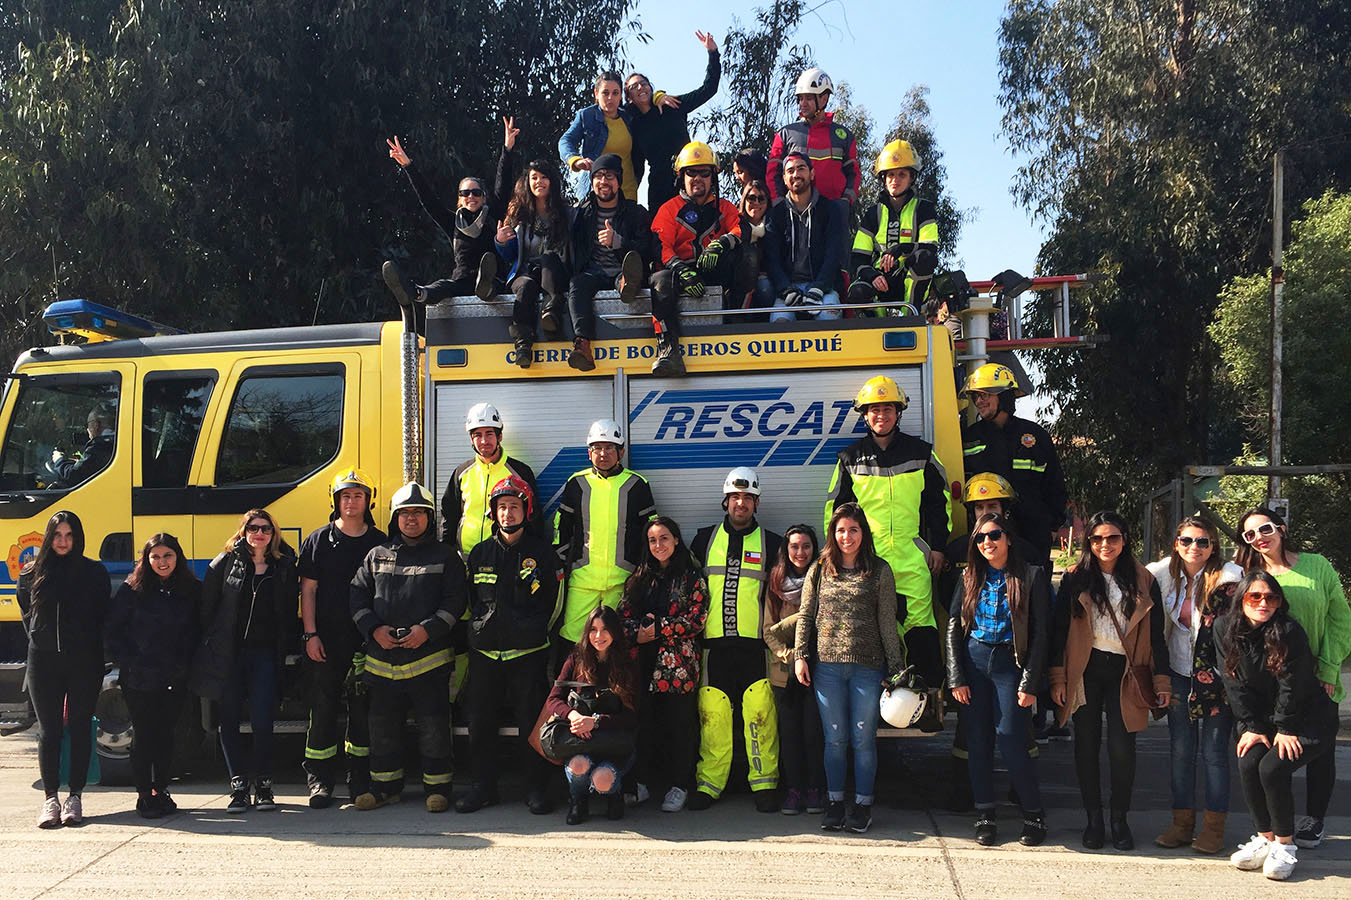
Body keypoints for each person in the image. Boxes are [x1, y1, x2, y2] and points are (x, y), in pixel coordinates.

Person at [824, 376, 952, 697]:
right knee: (874, 634)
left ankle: (926, 704)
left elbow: (941, 503)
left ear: (899, 412)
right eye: (874, 409)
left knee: (920, 631)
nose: (881, 415)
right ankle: (879, 706)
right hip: (867, 564)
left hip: (912, 561)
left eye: (888, 409)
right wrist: (839, 560)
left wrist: (938, 548)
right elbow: (835, 513)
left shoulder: (922, 454)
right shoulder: (850, 458)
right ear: (864, 415)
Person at [1049, 511, 1169, 851]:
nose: (1105, 544)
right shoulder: (1075, 577)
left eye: (1112, 538)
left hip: (1126, 671)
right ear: (1089, 542)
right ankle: (1094, 820)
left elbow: (1156, 635)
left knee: (1122, 749)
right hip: (1085, 670)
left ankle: (1119, 819)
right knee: (1085, 747)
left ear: (1125, 539)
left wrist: (1161, 682)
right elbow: (1059, 632)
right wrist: (1058, 678)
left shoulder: (1144, 579)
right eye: (1098, 538)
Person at [1233, 506, 1350, 849]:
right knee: (1275, 757)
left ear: (1281, 528)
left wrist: (1329, 666)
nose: (1259, 538)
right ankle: (1271, 830)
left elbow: (1340, 619)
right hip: (1273, 685)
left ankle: (1315, 818)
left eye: (1265, 529)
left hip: (1318, 675)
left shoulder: (1317, 566)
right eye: (1250, 535)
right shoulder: (1252, 576)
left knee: (1319, 750)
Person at [1216, 572, 1341, 881]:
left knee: (1272, 769)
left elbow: (1292, 685)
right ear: (1240, 599)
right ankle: (1266, 837)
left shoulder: (1289, 631)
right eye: (1254, 597)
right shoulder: (1223, 628)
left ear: (1279, 602)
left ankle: (1285, 846)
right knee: (1249, 762)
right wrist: (1250, 726)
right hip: (1264, 720)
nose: (1263, 603)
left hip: (1308, 718)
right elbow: (1233, 683)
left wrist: (1285, 728)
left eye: (1271, 598)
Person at [350, 482, 466, 812]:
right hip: (381, 661)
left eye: (418, 513)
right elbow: (357, 596)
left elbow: (456, 600)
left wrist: (426, 631)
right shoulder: (376, 555)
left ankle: (438, 789)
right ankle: (385, 788)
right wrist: (374, 630)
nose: (411, 519)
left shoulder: (446, 557)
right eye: (404, 513)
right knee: (382, 729)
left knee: (433, 728)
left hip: (429, 660)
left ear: (430, 517)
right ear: (395, 518)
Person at [794, 503, 904, 833]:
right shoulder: (819, 569)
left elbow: (887, 623)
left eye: (853, 530)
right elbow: (805, 614)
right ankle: (835, 803)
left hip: (867, 669)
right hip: (826, 668)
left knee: (863, 740)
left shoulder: (880, 571)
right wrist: (800, 653)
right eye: (841, 530)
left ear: (863, 534)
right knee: (835, 740)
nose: (847, 536)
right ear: (833, 533)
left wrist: (896, 668)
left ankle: (862, 805)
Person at [458, 476, 562, 815]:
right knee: (480, 725)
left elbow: (555, 602)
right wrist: (479, 631)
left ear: (526, 511)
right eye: (501, 507)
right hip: (486, 655)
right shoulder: (479, 554)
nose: (507, 513)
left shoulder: (542, 555)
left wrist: (533, 633)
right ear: (493, 513)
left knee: (531, 725)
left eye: (513, 507)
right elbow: (472, 600)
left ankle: (535, 789)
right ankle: (482, 788)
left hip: (527, 655)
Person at [946, 513, 1051, 847]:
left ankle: (1033, 814)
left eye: (994, 536)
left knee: (1010, 737)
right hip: (975, 661)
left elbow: (1041, 634)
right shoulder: (968, 577)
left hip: (1011, 663)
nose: (987, 543)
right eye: (980, 538)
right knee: (977, 741)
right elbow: (953, 628)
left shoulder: (1031, 577)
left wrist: (1031, 682)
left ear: (1008, 538)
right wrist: (956, 676)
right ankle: (985, 814)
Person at [190, 509, 298, 815]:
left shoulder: (285, 567)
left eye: (265, 528)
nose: (259, 533)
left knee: (264, 720)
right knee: (228, 721)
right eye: (253, 527)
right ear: (243, 531)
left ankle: (264, 785)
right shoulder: (223, 564)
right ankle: (238, 786)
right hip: (229, 654)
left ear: (273, 533)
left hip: (264, 654)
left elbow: (289, 611)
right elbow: (207, 610)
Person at [1146, 516, 1243, 853]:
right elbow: (1125, 577)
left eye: (1202, 542)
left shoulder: (1228, 580)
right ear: (1176, 544)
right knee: (1181, 752)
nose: (1194, 548)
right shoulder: (1161, 575)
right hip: (1177, 672)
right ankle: (1181, 825)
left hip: (1216, 676)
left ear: (1213, 546)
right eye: (1187, 541)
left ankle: (1214, 829)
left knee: (1214, 753)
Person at [689, 467, 783, 812]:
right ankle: (710, 783)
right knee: (713, 716)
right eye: (734, 497)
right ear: (725, 501)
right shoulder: (703, 539)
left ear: (756, 503)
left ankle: (765, 783)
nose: (740, 503)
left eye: (747, 498)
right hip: (713, 647)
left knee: (760, 714)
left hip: (755, 648)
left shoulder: (774, 543)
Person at [298, 469, 386, 808]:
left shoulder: (378, 542)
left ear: (368, 501)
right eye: (345, 496)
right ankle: (319, 781)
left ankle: (359, 781)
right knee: (322, 709)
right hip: (325, 641)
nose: (351, 502)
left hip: (366, 641)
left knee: (363, 712)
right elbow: (308, 591)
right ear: (336, 501)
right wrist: (310, 634)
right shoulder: (318, 540)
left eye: (358, 496)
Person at [17, 511, 109, 828]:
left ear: (78, 537)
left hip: (84, 662)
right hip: (44, 662)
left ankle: (76, 797)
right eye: (57, 535)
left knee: (80, 726)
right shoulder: (31, 573)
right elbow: (27, 615)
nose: (63, 542)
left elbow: (102, 617)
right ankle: (51, 799)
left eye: (69, 535)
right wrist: (40, 642)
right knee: (49, 730)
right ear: (48, 537)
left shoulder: (94, 573)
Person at [105, 533, 201, 819]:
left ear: (178, 557)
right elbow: (113, 633)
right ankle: (144, 794)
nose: (162, 562)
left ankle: (162, 789)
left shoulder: (192, 590)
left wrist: (186, 664)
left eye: (167, 555)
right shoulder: (131, 590)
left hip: (175, 677)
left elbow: (199, 630)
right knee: (145, 736)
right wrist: (130, 663)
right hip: (140, 679)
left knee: (167, 736)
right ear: (146, 560)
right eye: (155, 556)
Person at [619, 516, 710, 812]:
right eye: (653, 540)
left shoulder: (691, 577)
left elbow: (697, 619)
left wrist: (660, 628)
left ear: (676, 540)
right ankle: (642, 783)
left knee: (680, 726)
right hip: (641, 665)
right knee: (643, 724)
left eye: (664, 538)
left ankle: (679, 784)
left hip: (677, 667)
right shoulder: (637, 578)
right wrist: (638, 633)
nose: (659, 545)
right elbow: (621, 619)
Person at [553, 418, 656, 653]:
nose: (603, 453)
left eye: (609, 447)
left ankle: (614, 690)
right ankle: (572, 689)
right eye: (597, 448)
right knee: (573, 643)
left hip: (622, 582)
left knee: (617, 645)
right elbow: (561, 528)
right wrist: (561, 564)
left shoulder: (637, 484)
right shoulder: (576, 483)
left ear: (621, 451)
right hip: (582, 582)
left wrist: (642, 572)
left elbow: (651, 531)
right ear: (589, 453)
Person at [958, 363, 1068, 570]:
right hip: (988, 540)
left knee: (1035, 596)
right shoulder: (968, 438)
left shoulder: (1035, 436)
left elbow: (1055, 485)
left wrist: (1051, 527)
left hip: (1032, 535)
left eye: (985, 395)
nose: (979, 401)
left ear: (1006, 396)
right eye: (975, 396)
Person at [649, 141, 743, 376]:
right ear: (682, 176)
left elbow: (742, 228)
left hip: (712, 270)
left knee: (745, 258)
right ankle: (668, 348)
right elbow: (661, 246)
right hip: (679, 274)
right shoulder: (669, 209)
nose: (697, 178)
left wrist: (723, 242)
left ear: (713, 176)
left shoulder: (725, 207)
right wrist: (681, 270)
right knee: (660, 279)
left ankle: (739, 326)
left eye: (704, 173)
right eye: (691, 172)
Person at [382, 131, 506, 306]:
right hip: (462, 282)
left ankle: (485, 287)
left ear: (484, 197)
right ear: (459, 198)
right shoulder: (453, 222)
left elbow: (504, 185)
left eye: (476, 192)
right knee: (442, 286)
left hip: (491, 283)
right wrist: (408, 165)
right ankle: (415, 292)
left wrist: (507, 150)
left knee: (491, 284)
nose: (471, 196)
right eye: (465, 193)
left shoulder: (493, 217)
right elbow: (429, 200)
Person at [548, 606, 640, 825]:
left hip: (613, 744)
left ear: (615, 632)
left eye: (605, 630)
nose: (598, 636)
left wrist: (596, 722)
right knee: (578, 765)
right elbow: (553, 699)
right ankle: (578, 800)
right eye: (593, 630)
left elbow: (632, 716)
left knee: (602, 778)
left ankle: (612, 795)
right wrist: (572, 716)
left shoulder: (628, 663)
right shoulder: (576, 658)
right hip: (580, 744)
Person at [564, 153, 651, 371]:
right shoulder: (580, 214)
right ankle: (582, 346)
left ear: (619, 181)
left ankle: (627, 285)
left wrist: (619, 242)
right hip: (593, 272)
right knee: (577, 284)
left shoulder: (635, 213)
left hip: (621, 269)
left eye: (610, 176)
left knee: (628, 274)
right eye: (599, 176)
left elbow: (647, 250)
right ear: (592, 181)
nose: (604, 182)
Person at [762, 524, 825, 815]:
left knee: (814, 734)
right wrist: (789, 656)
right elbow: (768, 631)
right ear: (786, 551)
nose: (800, 553)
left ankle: (815, 789)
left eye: (806, 547)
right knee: (789, 735)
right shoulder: (775, 583)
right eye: (794, 547)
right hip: (783, 674)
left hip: (818, 672)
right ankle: (793, 790)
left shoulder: (826, 580)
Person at [623, 30, 721, 211]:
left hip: (689, 179)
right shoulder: (634, 124)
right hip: (659, 189)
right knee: (660, 236)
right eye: (634, 87)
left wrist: (713, 53)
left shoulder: (672, 105)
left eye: (644, 83)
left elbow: (709, 89)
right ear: (629, 97)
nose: (640, 87)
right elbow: (637, 167)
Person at [497, 131, 573, 358]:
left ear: (552, 181)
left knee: (549, 258)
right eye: (534, 178)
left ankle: (551, 312)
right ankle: (522, 342)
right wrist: (501, 241)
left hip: (555, 273)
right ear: (528, 183)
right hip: (526, 272)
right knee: (526, 286)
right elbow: (510, 255)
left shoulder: (567, 213)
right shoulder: (519, 215)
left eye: (544, 177)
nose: (539, 182)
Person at [846, 141, 939, 318]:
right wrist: (872, 275)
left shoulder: (924, 209)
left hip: (911, 281)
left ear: (911, 177)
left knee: (925, 258)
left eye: (901, 174)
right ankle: (878, 322)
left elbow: (930, 249)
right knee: (857, 291)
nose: (895, 180)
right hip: (880, 280)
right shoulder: (873, 214)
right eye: (890, 175)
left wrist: (900, 249)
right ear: (883, 178)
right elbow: (858, 259)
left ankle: (910, 317)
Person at [441, 402, 543, 561]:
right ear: (471, 439)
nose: (483, 441)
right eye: (477, 435)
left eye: (489, 434)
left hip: (504, 559)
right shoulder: (461, 473)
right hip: (464, 561)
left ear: (499, 436)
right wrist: (446, 555)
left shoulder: (520, 472)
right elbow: (449, 517)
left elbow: (533, 517)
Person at [764, 153, 845, 324]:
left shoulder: (830, 209)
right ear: (784, 179)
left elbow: (834, 254)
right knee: (779, 323)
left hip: (824, 288)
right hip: (789, 288)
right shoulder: (775, 214)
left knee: (828, 318)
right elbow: (771, 259)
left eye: (801, 168)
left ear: (812, 174)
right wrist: (785, 289)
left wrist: (819, 287)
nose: (796, 174)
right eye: (790, 171)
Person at [766, 68, 859, 208]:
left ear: (824, 98)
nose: (802, 103)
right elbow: (773, 173)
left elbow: (853, 174)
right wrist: (778, 203)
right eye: (800, 98)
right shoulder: (786, 134)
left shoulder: (844, 136)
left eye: (808, 98)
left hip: (833, 211)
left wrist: (846, 201)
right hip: (795, 212)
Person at [559, 71, 644, 202]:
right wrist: (575, 160)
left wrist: (659, 96)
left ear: (621, 95)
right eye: (605, 93)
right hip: (596, 192)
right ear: (596, 94)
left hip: (627, 192)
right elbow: (566, 140)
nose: (610, 98)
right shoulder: (586, 116)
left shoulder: (629, 118)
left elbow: (648, 100)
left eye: (615, 93)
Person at [46, 404, 116, 489]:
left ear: (95, 425)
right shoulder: (115, 442)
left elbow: (73, 476)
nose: (87, 429)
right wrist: (79, 462)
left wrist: (58, 460)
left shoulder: (99, 446)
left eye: (88, 424)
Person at [734, 180, 775, 319]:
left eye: (761, 199)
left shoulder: (774, 226)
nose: (756, 203)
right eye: (751, 198)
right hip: (738, 285)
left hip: (767, 285)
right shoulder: (735, 225)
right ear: (744, 200)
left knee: (764, 285)